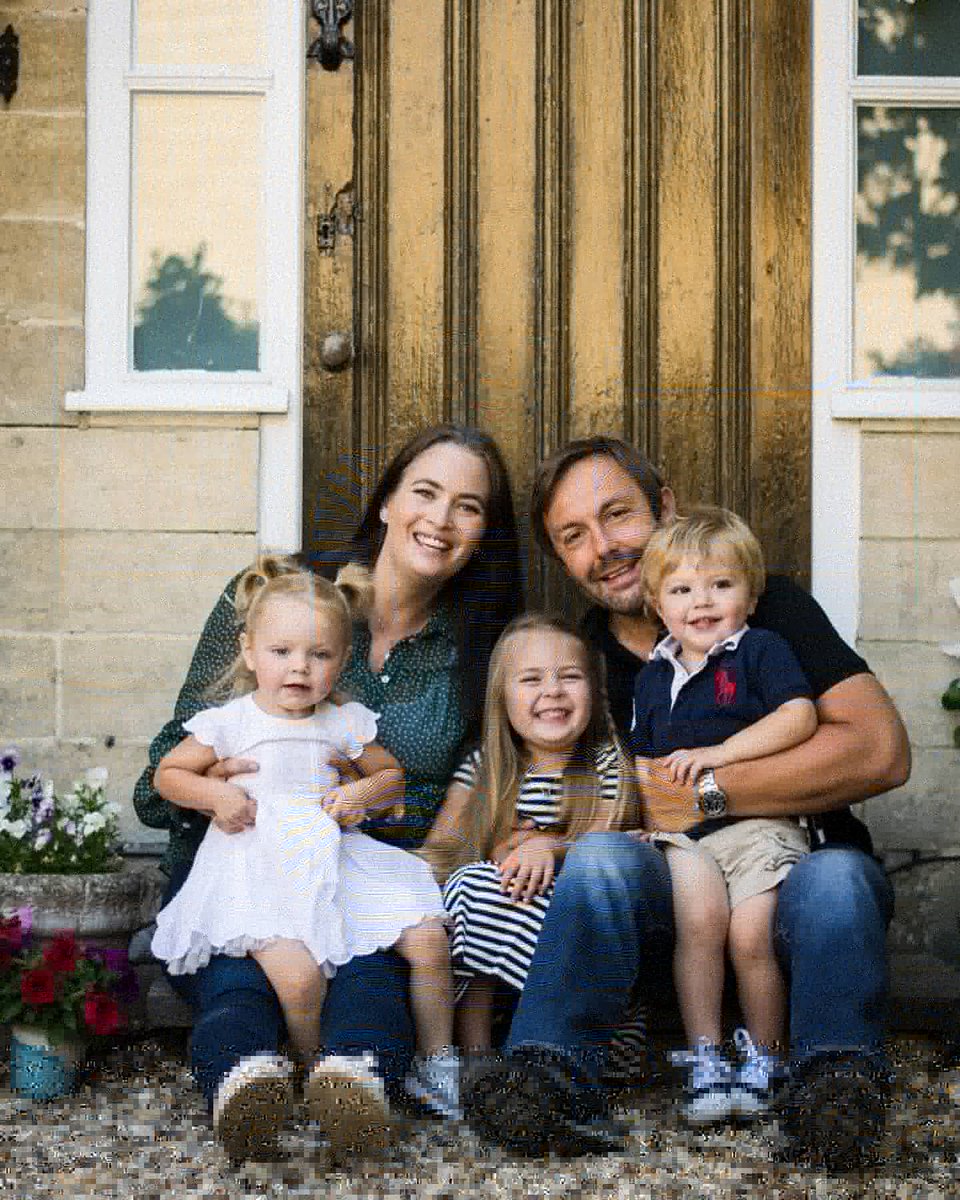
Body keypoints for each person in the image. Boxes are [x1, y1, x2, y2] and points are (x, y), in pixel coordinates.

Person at [462, 436, 908, 1169]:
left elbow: (878, 750)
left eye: (617, 515)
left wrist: (706, 790)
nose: (604, 547)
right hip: (674, 904)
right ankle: (546, 1076)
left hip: (796, 882)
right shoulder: (581, 663)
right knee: (603, 857)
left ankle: (834, 1087)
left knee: (841, 879)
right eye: (574, 536)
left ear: (664, 506)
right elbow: (614, 806)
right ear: (559, 556)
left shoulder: (767, 611)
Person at [133, 424, 522, 1162]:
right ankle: (238, 1086)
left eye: (468, 507)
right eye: (426, 493)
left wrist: (391, 811)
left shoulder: (477, 646)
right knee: (238, 989)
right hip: (239, 866)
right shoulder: (277, 598)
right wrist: (227, 788)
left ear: (484, 534)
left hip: (352, 868)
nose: (440, 521)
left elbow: (456, 781)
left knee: (371, 981)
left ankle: (359, 1085)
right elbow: (159, 775)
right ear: (386, 502)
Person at [150, 558, 460, 1131]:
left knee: (425, 937)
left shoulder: (342, 718)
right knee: (298, 977)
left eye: (320, 655)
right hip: (257, 863)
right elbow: (168, 775)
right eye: (282, 652)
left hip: (331, 857)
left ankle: (434, 1063)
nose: (300, 668)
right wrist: (212, 796)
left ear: (342, 661)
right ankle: (307, 1071)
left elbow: (390, 774)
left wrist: (361, 792)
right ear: (249, 651)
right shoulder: (231, 721)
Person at [631, 508, 816, 1123]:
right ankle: (705, 1059)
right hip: (687, 837)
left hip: (761, 825)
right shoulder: (652, 676)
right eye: (682, 589)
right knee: (702, 927)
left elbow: (798, 718)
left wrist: (716, 755)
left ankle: (767, 1057)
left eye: (721, 585)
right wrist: (639, 813)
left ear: (752, 594)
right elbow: (643, 761)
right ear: (658, 605)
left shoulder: (759, 650)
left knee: (749, 936)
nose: (701, 602)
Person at [422, 613, 638, 1054]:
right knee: (469, 886)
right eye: (531, 679)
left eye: (570, 677)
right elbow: (445, 849)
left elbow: (607, 846)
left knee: (514, 892)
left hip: (582, 950)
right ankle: (475, 1056)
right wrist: (498, 850)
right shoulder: (486, 767)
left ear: (595, 693)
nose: (552, 691)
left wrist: (550, 846)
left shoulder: (606, 765)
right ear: (502, 697)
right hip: (504, 916)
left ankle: (551, 1042)